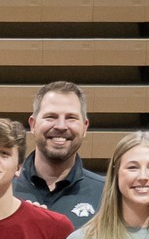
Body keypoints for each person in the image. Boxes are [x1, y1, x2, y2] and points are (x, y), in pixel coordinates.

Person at [13, 81, 105, 227]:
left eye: (71, 118)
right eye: (50, 116)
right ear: (33, 124)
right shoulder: (5, 189)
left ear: (85, 127)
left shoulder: (105, 194)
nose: (61, 126)